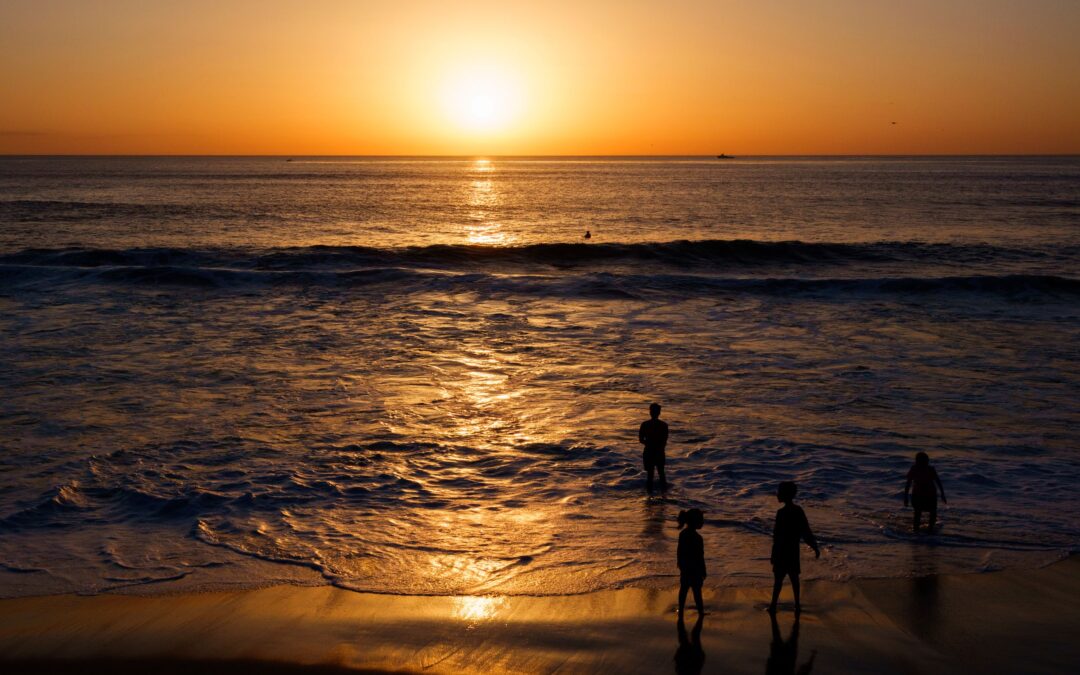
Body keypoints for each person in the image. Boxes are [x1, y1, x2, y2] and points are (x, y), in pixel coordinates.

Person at [768, 481, 820, 614]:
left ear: (785, 495)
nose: (777, 494)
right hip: (792, 551)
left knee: (778, 580)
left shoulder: (781, 513)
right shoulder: (798, 511)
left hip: (781, 551)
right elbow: (806, 532)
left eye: (779, 492)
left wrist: (773, 554)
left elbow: (776, 536)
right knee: (794, 579)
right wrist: (814, 546)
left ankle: (773, 605)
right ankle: (797, 605)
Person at [904, 451, 947, 533]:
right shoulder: (914, 469)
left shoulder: (930, 469)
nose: (927, 462)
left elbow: (938, 481)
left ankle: (930, 530)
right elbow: (908, 483)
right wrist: (905, 497)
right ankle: (916, 531)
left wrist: (942, 494)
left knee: (932, 513)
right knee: (918, 513)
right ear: (918, 461)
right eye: (925, 461)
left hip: (930, 495)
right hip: (918, 495)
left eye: (927, 460)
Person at [677, 508, 706, 615]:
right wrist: (703, 570)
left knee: (683, 590)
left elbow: (679, 552)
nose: (703, 522)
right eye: (701, 520)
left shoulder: (683, 534)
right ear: (695, 521)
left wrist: (680, 564)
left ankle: (681, 611)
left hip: (685, 567)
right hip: (695, 569)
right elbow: (700, 557)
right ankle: (701, 612)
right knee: (697, 592)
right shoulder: (698, 538)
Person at [639, 402, 668, 493]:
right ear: (659, 413)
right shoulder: (664, 425)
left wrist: (649, 444)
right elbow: (664, 441)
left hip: (649, 451)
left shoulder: (645, 424)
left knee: (650, 475)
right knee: (661, 473)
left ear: (650, 412)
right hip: (659, 452)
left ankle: (650, 495)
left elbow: (641, 439)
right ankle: (664, 495)